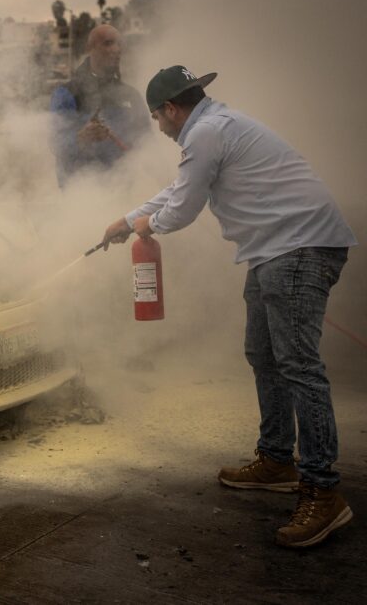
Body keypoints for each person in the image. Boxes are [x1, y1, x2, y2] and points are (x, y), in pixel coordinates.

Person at [102, 66, 357, 549]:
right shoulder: (214, 127)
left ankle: (324, 491)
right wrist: (129, 217)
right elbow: (178, 191)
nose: (159, 126)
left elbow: (181, 210)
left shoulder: (206, 132)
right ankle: (278, 459)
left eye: (157, 117)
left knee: (300, 366)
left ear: (171, 109)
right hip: (275, 250)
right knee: (263, 354)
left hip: (298, 248)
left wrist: (145, 227)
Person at [49, 24, 149, 188]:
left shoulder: (131, 96)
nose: (116, 49)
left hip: (124, 192)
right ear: (90, 48)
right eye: (108, 43)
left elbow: (147, 141)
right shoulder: (67, 93)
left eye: (119, 44)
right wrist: (81, 137)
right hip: (82, 195)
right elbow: (55, 143)